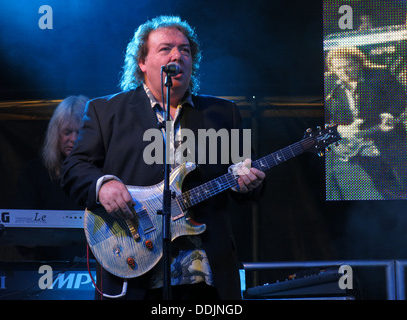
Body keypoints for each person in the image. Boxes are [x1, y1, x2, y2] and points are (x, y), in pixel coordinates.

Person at [61, 16, 265, 300]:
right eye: (165, 48)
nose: (177, 56)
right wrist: (103, 185)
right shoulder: (105, 111)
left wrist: (248, 183)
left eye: (185, 50)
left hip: (205, 275)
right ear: (142, 62)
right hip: (133, 266)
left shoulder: (223, 113)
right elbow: (73, 168)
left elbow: (246, 176)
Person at [325, 46, 407, 200]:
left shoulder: (380, 74)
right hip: (359, 148)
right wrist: (339, 134)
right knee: (383, 186)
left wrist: (390, 114)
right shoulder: (330, 86)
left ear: (359, 63)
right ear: (332, 69)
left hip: (390, 141)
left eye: (348, 66)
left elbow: (400, 98)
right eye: (338, 68)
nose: (344, 72)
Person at [13, 95, 89, 209]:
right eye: (67, 132)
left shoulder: (102, 172)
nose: (73, 139)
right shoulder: (35, 172)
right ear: (56, 133)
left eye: (80, 132)